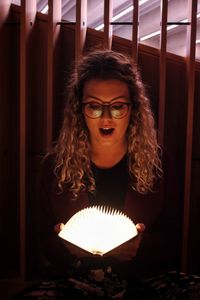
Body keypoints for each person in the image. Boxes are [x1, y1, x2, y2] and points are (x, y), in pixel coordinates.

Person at [23, 49, 184, 299]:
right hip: (74, 279)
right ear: (79, 110)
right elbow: (45, 240)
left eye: (118, 106)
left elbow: (171, 238)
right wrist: (67, 249)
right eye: (95, 106)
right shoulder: (55, 166)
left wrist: (140, 247)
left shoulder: (157, 162)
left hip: (142, 280)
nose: (106, 117)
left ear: (133, 109)